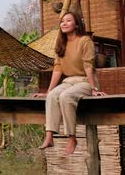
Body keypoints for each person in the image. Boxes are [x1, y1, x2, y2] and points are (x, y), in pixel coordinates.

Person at [33, 11, 106, 154]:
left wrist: (94, 88)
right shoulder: (61, 43)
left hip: (85, 81)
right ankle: (49, 136)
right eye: (62, 21)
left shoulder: (85, 41)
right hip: (68, 81)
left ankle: (71, 137)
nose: (64, 23)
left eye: (68, 21)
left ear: (77, 24)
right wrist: (48, 91)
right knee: (53, 95)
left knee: (66, 97)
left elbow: (88, 66)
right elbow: (57, 69)